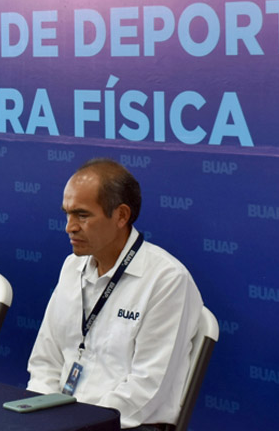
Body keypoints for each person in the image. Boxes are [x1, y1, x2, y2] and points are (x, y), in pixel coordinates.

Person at [26, 158, 203, 430]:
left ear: (121, 215)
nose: (69, 227)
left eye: (82, 215)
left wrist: (81, 423)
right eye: (67, 214)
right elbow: (45, 361)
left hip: (126, 424)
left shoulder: (167, 280)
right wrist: (40, 414)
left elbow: (147, 388)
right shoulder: (72, 267)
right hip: (62, 419)